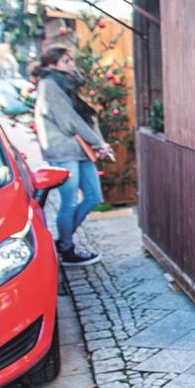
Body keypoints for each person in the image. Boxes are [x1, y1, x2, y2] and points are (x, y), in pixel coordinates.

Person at [31, 45, 112, 266]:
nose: (71, 64)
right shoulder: (49, 85)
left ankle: (61, 241)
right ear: (51, 64)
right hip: (63, 150)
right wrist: (98, 142)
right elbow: (69, 121)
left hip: (80, 149)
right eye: (66, 61)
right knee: (69, 201)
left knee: (94, 196)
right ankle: (67, 248)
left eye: (71, 60)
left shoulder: (66, 83)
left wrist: (97, 143)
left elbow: (86, 117)